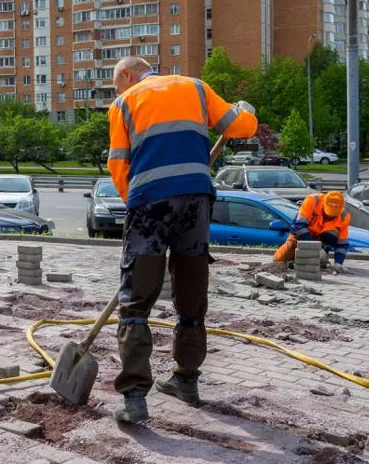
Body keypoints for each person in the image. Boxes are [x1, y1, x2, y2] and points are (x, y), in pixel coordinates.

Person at [107, 57, 258, 423]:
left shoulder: (124, 103)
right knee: (191, 295)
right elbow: (241, 127)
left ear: (127, 74)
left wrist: (137, 203)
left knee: (136, 302)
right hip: (196, 199)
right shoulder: (195, 87)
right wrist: (244, 112)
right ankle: (186, 381)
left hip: (149, 204)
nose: (118, 90)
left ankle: (135, 398)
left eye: (117, 83)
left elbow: (118, 165)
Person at [273, 191, 350, 272]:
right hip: (300, 237)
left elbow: (342, 243)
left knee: (333, 233)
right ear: (324, 204)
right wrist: (314, 247)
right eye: (328, 214)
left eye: (332, 216)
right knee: (279, 259)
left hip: (322, 242)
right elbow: (299, 226)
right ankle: (304, 258)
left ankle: (320, 258)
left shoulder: (344, 216)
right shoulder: (312, 201)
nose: (329, 217)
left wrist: (338, 262)